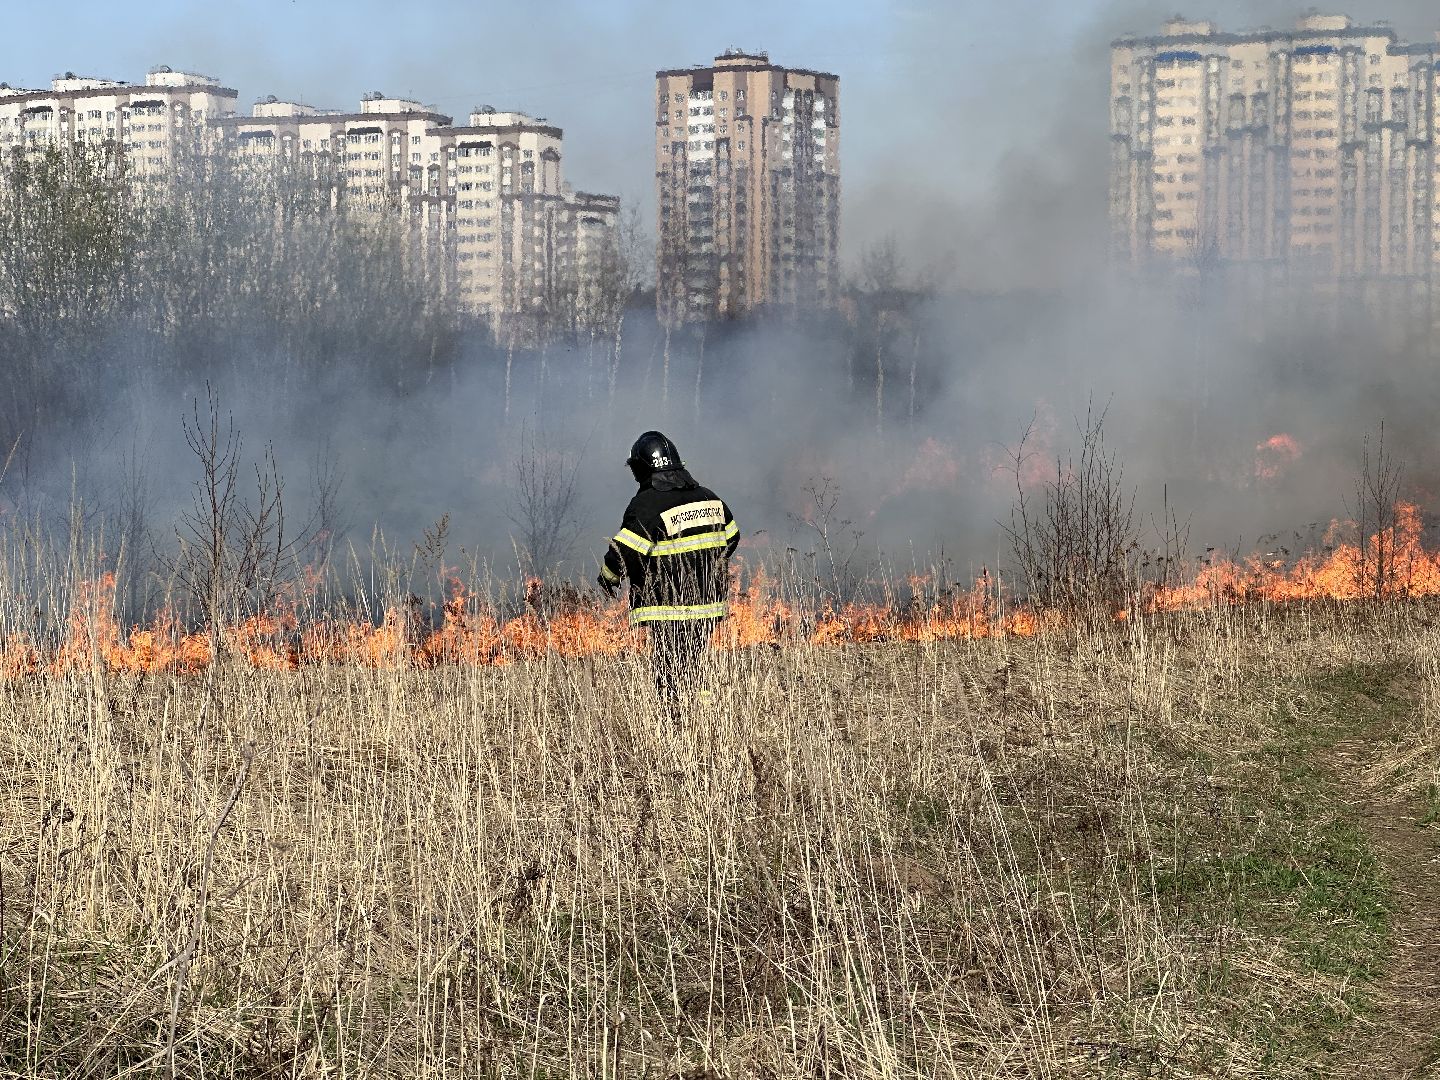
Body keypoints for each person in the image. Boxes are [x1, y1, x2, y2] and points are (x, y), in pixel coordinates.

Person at [598, 431, 739, 705]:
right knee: (693, 663)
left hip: (668, 606)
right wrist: (706, 565)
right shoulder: (710, 498)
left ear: (642, 469)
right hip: (708, 604)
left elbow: (624, 551)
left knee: (669, 668)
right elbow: (731, 537)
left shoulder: (647, 504)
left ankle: (673, 717)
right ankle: (702, 709)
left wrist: (609, 577)